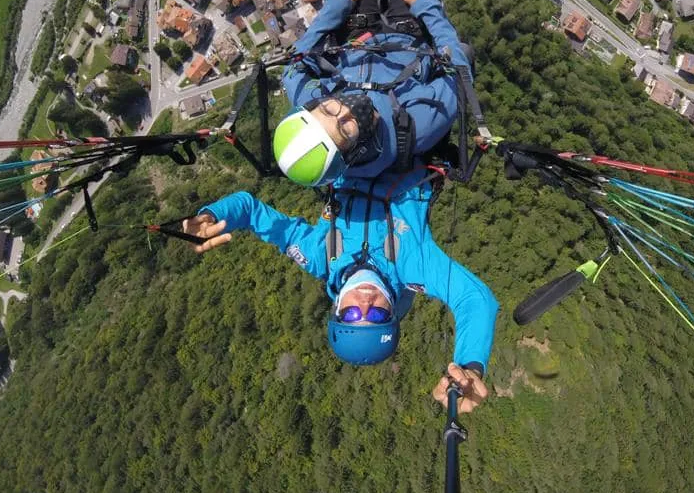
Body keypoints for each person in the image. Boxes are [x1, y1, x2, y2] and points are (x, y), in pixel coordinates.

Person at [183, 165, 498, 413]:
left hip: (348, 152)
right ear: (392, 313)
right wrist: (470, 368)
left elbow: (251, 211)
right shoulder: (412, 267)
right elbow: (475, 299)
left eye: (350, 314)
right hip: (409, 148)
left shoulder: (320, 257)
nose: (364, 302)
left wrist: (213, 215)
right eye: (375, 315)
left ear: (336, 310)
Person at [275, 0, 471, 187]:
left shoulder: (313, 108)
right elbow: (459, 74)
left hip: (356, 34)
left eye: (330, 110)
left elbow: (294, 66)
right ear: (352, 153)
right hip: (409, 32)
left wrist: (334, 7)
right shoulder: (416, 128)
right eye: (345, 129)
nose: (345, 112)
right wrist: (426, 3)